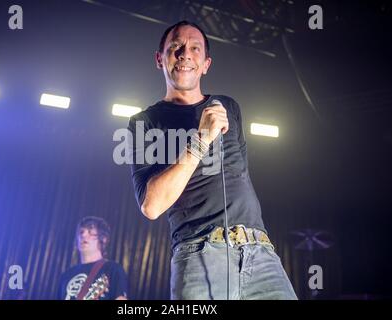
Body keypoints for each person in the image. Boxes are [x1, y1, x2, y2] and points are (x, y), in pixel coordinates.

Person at [127, 20, 297, 300]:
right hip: (200, 253)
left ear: (206, 64)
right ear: (160, 59)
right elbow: (152, 205)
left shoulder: (227, 106)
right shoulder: (144, 122)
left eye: (195, 48)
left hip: (262, 253)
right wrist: (201, 138)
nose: (185, 54)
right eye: (175, 47)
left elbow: (238, 178)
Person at [58, 216, 128, 300]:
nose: (83, 235)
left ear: (103, 238)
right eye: (81, 232)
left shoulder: (112, 269)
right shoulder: (66, 275)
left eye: (90, 231)